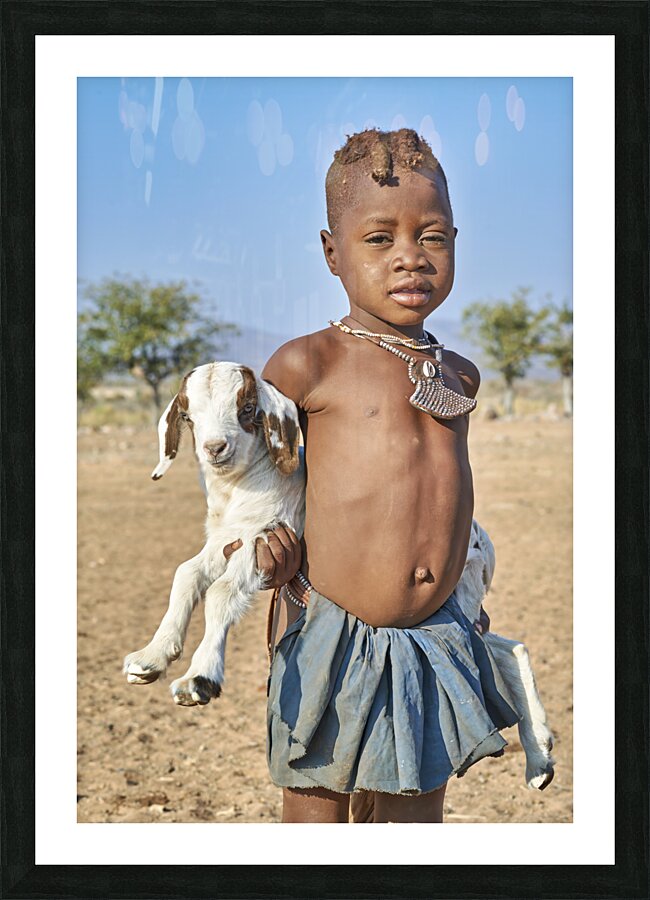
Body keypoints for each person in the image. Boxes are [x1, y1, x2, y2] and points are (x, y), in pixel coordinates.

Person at [228, 128, 519, 823]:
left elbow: (448, 495)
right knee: (317, 816)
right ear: (333, 252)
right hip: (330, 625)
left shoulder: (460, 375)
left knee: (411, 816)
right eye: (379, 238)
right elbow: (252, 488)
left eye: (434, 238)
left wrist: (463, 584)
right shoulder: (308, 365)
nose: (411, 258)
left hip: (437, 632)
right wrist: (257, 546)